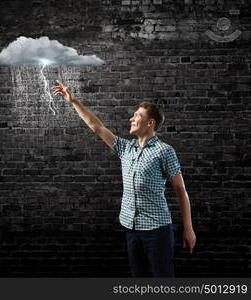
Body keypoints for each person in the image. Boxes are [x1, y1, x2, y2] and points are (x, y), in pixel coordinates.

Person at [52, 80, 196, 277]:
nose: (131, 118)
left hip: (157, 231)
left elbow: (181, 190)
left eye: (137, 115)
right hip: (131, 228)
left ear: (150, 123)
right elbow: (97, 127)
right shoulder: (125, 148)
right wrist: (73, 101)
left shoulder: (165, 151)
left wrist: (188, 228)